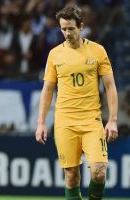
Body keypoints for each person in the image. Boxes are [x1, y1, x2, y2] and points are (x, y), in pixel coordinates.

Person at [35, 4, 118, 200]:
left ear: (81, 26)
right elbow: (47, 90)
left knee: (98, 171)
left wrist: (112, 119)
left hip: (91, 121)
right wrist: (40, 122)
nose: (67, 33)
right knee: (71, 176)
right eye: (63, 29)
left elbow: (110, 86)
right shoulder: (55, 54)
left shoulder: (98, 51)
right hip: (65, 122)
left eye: (71, 28)